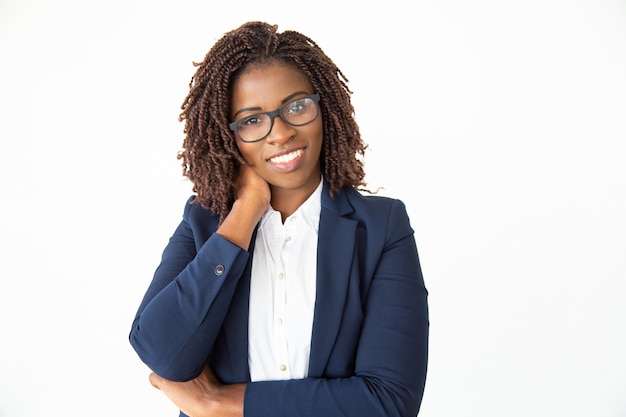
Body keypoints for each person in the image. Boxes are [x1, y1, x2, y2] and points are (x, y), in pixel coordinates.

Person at [129, 21, 429, 417]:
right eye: (252, 120)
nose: (281, 133)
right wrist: (246, 211)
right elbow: (161, 353)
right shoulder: (204, 223)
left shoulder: (381, 228)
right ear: (227, 135)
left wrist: (219, 404)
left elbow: (389, 401)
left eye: (296, 106)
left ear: (325, 109)